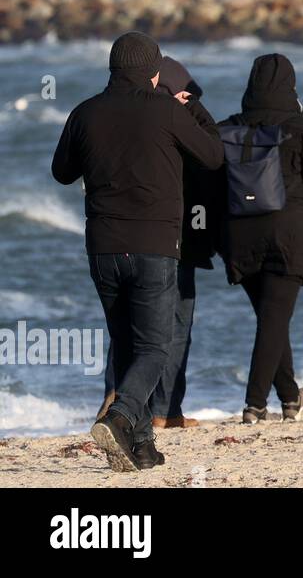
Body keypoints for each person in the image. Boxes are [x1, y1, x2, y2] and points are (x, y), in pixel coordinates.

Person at [52, 32, 223, 472]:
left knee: (127, 343)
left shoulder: (85, 112)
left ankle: (142, 446)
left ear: (112, 69)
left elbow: (61, 172)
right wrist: (193, 109)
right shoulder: (167, 109)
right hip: (154, 245)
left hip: (104, 248)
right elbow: (212, 154)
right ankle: (121, 414)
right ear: (153, 72)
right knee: (156, 347)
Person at [218, 54, 303, 423]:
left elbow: (210, 190)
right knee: (273, 320)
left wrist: (214, 240)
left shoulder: (226, 129)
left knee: (271, 318)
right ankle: (254, 404)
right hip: (287, 236)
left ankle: (291, 397)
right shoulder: (301, 128)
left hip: (239, 239)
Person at [100, 56, 221, 430]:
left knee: (140, 327)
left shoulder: (146, 119)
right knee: (166, 330)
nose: (191, 99)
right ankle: (148, 409)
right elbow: (213, 155)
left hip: (147, 238)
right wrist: (189, 114)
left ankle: (141, 407)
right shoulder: (167, 122)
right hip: (166, 239)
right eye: (185, 93)